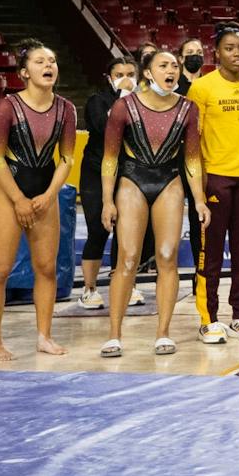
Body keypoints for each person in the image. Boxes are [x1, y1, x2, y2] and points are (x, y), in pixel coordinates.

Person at [99, 49, 208, 357]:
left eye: (175, 65)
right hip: (132, 179)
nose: (171, 69)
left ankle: (163, 332)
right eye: (163, 65)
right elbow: (110, 159)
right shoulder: (124, 107)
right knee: (129, 258)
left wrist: (199, 199)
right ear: (147, 73)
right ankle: (114, 335)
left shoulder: (188, 108)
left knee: (167, 255)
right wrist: (108, 200)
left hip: (169, 180)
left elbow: (192, 159)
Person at [0, 41, 77, 361]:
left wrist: (50, 195)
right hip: (10, 192)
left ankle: (44, 337)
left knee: (47, 268)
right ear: (24, 72)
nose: (49, 65)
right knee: (0, 269)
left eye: (52, 60)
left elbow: (66, 159)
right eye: (40, 61)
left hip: (44, 192)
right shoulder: (8, 107)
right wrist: (19, 199)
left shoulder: (65, 109)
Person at [186, 23, 239, 343]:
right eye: (230, 48)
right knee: (210, 252)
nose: (237, 53)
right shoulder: (202, 88)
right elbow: (193, 139)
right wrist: (201, 182)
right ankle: (209, 318)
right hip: (215, 178)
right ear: (216, 53)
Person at [77, 58, 139, 309]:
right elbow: (106, 129)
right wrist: (122, 99)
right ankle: (89, 289)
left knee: (127, 233)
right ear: (109, 77)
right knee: (98, 229)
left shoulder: (144, 101)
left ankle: (124, 285)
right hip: (95, 171)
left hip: (127, 172)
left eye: (131, 73)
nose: (126, 78)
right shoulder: (97, 101)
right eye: (120, 74)